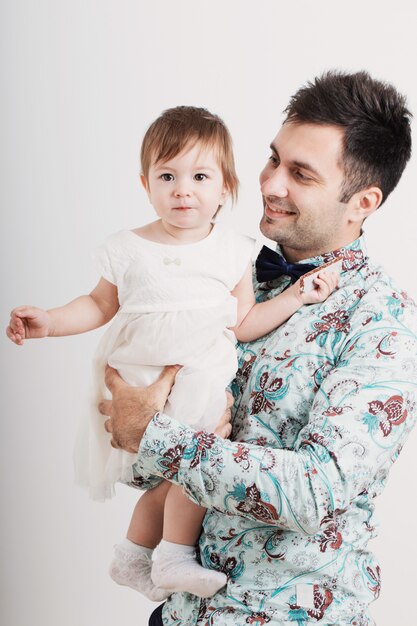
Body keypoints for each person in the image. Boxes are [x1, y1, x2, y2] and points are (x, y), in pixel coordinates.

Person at [99, 71, 417, 626]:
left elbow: (316, 492)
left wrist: (155, 434)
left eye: (301, 174)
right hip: (180, 611)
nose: (270, 183)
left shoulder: (383, 325)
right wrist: (139, 414)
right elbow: (155, 459)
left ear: (363, 201)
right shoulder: (225, 275)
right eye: (274, 159)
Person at [6, 106, 338, 602]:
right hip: (140, 376)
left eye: (199, 176)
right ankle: (172, 555)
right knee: (187, 460)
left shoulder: (232, 251)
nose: (183, 189)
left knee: (188, 462)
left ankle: (136, 554)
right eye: (168, 176)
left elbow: (243, 323)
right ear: (146, 185)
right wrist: (50, 322)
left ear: (225, 187)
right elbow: (99, 304)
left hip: (199, 377)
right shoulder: (129, 247)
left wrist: (296, 297)